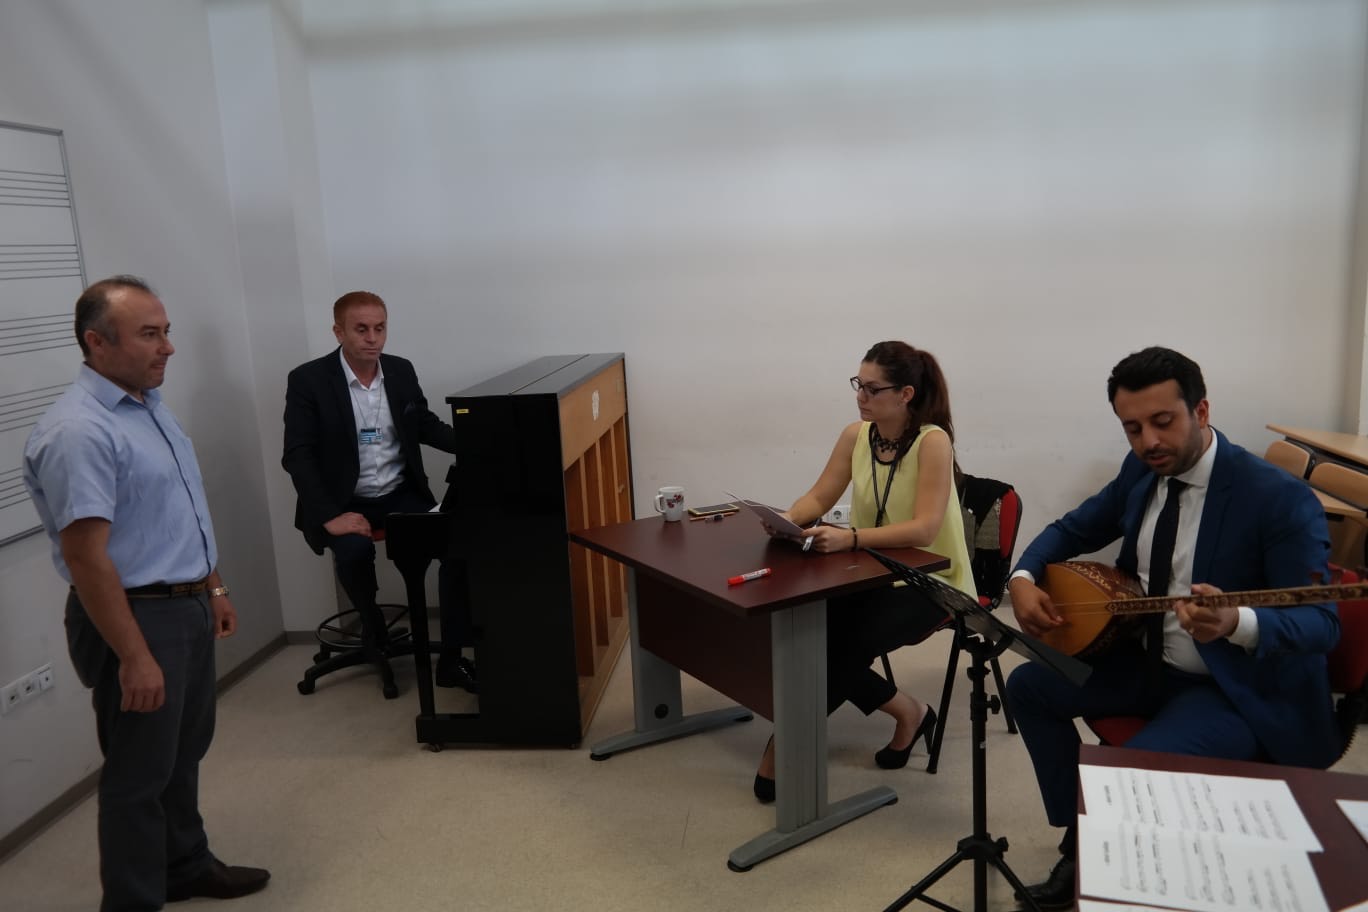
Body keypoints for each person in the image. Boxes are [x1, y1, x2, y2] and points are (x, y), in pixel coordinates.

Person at [1005, 347, 1340, 911]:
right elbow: (1073, 528)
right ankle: (1080, 841)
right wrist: (1022, 576)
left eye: (1163, 422)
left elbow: (1322, 623)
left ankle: (1118, 865)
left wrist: (1237, 622)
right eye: (1132, 428)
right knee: (1029, 687)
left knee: (1133, 778)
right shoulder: (1141, 469)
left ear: (1201, 411)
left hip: (1231, 687)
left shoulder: (1277, 499)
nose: (1148, 441)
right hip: (1150, 662)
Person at [23, 276, 270, 910]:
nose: (168, 347)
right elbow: (87, 557)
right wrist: (133, 655)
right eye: (150, 334)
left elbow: (176, 511)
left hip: (185, 603)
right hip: (136, 617)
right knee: (138, 775)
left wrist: (213, 585)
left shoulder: (149, 406)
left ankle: (184, 867)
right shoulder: (78, 431)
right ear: (97, 342)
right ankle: (133, 900)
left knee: (182, 753)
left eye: (167, 331)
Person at [752, 341, 977, 802]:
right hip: (868, 573)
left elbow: (925, 528)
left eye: (873, 389)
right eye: (859, 384)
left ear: (906, 394)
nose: (861, 396)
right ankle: (909, 711)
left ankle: (785, 743)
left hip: (932, 582)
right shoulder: (856, 435)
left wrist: (851, 538)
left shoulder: (932, 441)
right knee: (807, 631)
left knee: (835, 646)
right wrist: (788, 519)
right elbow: (820, 496)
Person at [282, 291, 476, 691]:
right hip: (343, 501)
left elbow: (424, 424)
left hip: (400, 494)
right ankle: (373, 629)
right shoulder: (308, 380)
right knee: (354, 551)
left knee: (460, 545)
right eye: (361, 329)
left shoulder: (400, 371)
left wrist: (479, 444)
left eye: (380, 328)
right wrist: (330, 516)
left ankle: (451, 660)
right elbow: (298, 456)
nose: (372, 338)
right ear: (338, 332)